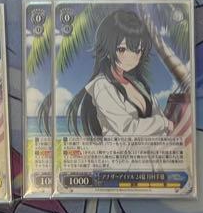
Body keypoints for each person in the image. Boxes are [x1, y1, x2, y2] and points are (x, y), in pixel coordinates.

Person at [65, 9, 173, 138]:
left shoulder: (139, 85)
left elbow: (158, 117)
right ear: (107, 51)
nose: (131, 57)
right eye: (122, 49)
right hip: (118, 151)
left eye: (137, 50)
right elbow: (126, 129)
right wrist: (163, 123)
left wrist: (163, 125)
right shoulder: (102, 85)